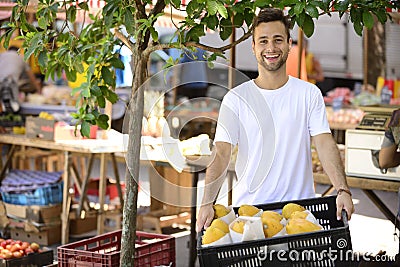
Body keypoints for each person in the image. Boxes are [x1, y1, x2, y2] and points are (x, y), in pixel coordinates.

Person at [196, 8, 354, 232]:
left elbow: (324, 143)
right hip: (250, 216)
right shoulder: (236, 99)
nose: (271, 48)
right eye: (263, 41)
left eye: (278, 40)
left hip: (300, 214)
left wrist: (342, 190)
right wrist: (206, 203)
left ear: (289, 44)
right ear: (253, 47)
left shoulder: (308, 94)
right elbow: (221, 152)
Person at [0, 46, 42, 113]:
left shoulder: (2, 55)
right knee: (15, 108)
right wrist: (39, 90)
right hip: (11, 82)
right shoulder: (21, 57)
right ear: (18, 51)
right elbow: (32, 77)